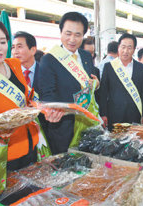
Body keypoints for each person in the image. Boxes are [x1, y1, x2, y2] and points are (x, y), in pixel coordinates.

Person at [0, 17, 63, 170]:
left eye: (3, 42)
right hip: (6, 154)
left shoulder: (14, 64)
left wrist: (46, 110)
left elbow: (28, 98)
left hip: (32, 143)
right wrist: (30, 113)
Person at [37, 12, 100, 154]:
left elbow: (89, 81)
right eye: (68, 33)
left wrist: (96, 84)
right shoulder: (49, 60)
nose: (72, 39)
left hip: (86, 124)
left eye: (78, 35)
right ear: (60, 32)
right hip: (62, 127)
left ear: (83, 35)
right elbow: (47, 95)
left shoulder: (85, 56)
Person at [99, 33, 143, 130]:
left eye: (129, 48)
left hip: (135, 114)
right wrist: (103, 114)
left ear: (134, 49)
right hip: (114, 114)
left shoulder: (141, 68)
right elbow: (103, 92)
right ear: (118, 47)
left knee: (133, 142)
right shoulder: (109, 67)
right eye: (123, 47)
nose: (126, 51)